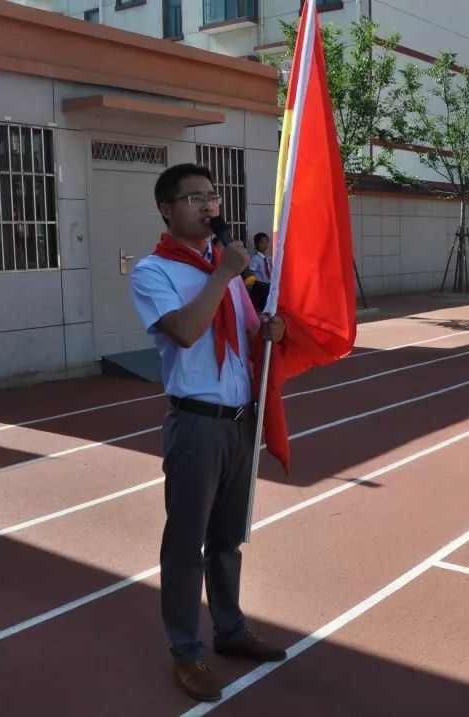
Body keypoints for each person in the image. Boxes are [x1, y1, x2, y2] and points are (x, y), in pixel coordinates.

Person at [128, 163, 287, 704]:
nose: (208, 205)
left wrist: (268, 328)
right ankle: (186, 651)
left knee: (226, 539)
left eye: (212, 196)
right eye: (194, 198)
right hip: (196, 423)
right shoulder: (154, 272)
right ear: (168, 210)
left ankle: (230, 629)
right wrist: (223, 275)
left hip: (239, 423)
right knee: (185, 544)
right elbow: (187, 330)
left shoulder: (228, 268)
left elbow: (244, 335)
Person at [248, 232, 273, 312]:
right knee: (259, 311)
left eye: (266, 242)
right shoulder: (255, 259)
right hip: (259, 287)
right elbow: (250, 273)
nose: (265, 245)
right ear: (256, 244)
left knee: (267, 310)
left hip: (268, 287)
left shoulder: (268, 258)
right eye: (262, 242)